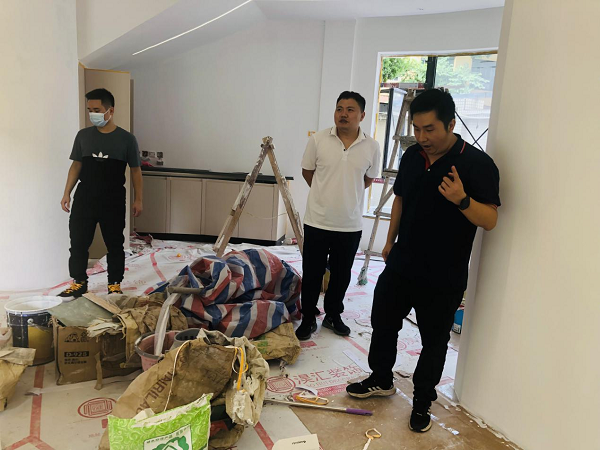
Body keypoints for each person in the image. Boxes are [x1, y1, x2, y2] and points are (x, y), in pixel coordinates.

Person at [346, 89, 501, 433]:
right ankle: (381, 378)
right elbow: (400, 198)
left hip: (444, 273)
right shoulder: (413, 155)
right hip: (403, 261)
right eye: (417, 128)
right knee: (383, 321)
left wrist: (462, 199)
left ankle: (422, 401)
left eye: (430, 129)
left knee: (433, 341)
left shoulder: (477, 164)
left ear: (451, 124)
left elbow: (490, 220)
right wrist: (389, 240)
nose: (422, 137)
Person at [296, 91, 381, 341]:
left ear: (362, 115)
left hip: (350, 224)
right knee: (312, 273)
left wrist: (345, 194)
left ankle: (333, 314)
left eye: (350, 109)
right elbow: (307, 172)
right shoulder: (318, 140)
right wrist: (325, 193)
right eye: (339, 108)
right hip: (317, 221)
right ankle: (308, 317)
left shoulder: (372, 146)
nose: (343, 114)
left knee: (342, 275)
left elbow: (368, 179)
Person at [58, 88, 143, 298]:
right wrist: (67, 192)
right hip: (85, 197)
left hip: (113, 199)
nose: (92, 114)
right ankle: (79, 282)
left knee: (114, 243)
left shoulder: (127, 139)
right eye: (90, 110)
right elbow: (76, 165)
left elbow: (135, 170)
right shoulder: (83, 136)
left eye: (96, 110)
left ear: (110, 110)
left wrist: (139, 199)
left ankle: (114, 283)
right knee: (78, 242)